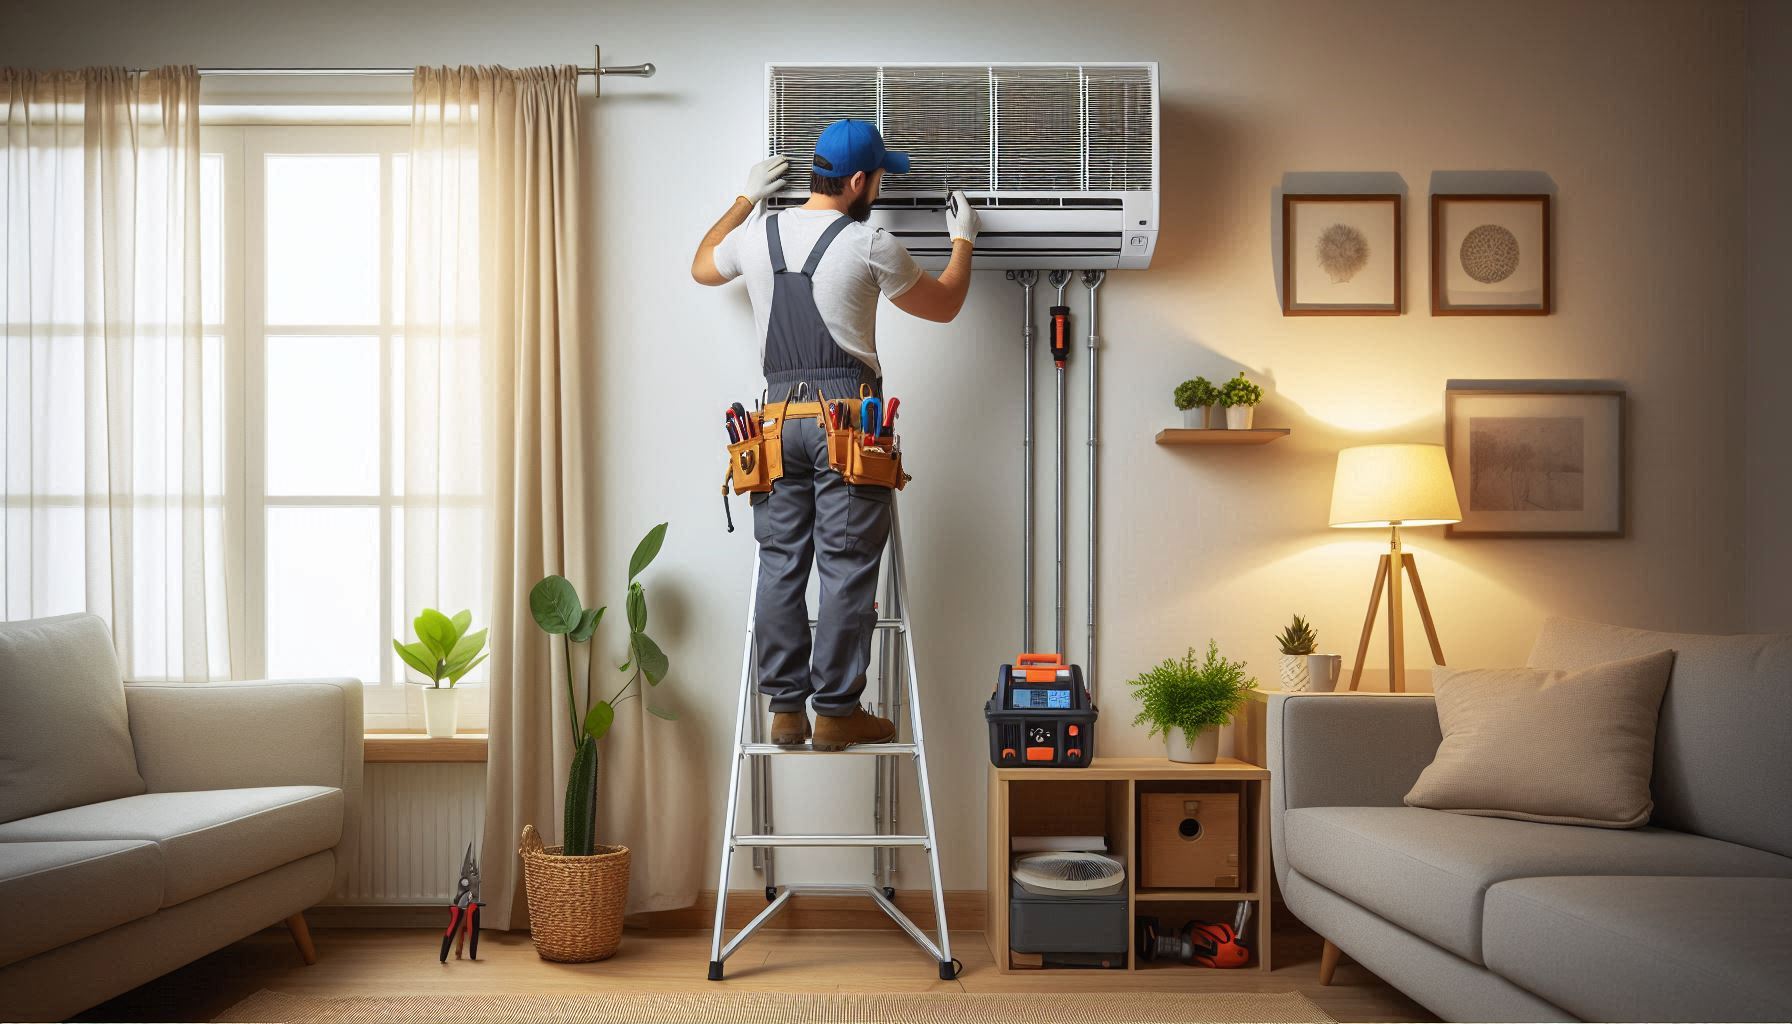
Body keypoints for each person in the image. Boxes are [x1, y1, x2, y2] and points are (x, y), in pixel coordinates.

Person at [691, 118, 978, 750]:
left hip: (772, 422)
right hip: (848, 422)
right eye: (879, 178)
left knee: (780, 561)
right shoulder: (869, 243)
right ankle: (837, 713)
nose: (881, 188)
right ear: (856, 181)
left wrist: (744, 200)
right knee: (846, 566)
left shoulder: (757, 235)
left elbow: (701, 266)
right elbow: (946, 302)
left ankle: (786, 709)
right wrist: (963, 241)